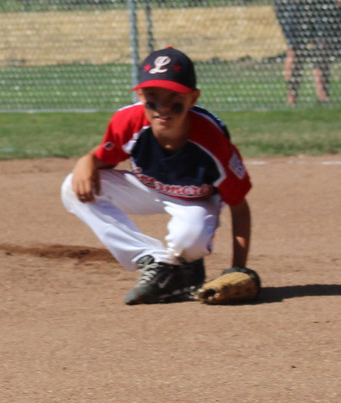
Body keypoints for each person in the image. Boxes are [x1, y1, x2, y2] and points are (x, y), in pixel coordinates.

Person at [61, 47, 253, 305]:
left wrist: (238, 269)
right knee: (73, 187)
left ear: (193, 98)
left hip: (195, 200)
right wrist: (86, 160)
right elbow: (103, 158)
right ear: (140, 96)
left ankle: (187, 266)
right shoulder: (128, 121)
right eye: (153, 97)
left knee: (189, 241)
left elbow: (240, 208)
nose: (163, 108)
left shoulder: (212, 141)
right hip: (146, 189)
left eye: (174, 97)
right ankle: (157, 262)